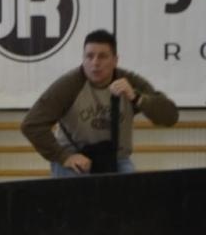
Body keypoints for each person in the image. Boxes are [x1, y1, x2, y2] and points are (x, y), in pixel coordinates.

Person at [21, 29, 179, 176]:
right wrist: (64, 157)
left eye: (102, 56)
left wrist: (136, 98)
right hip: (76, 159)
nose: (95, 63)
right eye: (89, 56)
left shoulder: (129, 81)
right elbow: (31, 124)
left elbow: (170, 116)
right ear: (83, 58)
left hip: (116, 160)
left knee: (132, 199)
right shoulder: (69, 85)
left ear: (115, 60)